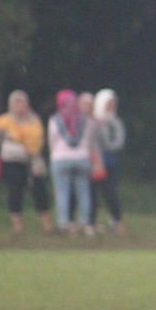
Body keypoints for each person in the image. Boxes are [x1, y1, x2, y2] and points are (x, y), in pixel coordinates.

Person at [0, 90, 53, 235]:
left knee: (40, 191)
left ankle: (47, 225)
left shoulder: (34, 119)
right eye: (17, 103)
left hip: (33, 160)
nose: (20, 106)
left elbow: (40, 139)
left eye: (22, 103)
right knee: (15, 192)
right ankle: (17, 226)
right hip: (12, 161)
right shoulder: (4, 121)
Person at [48, 89, 98, 235]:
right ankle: (85, 223)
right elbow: (89, 140)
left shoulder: (55, 119)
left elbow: (52, 140)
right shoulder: (83, 119)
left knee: (63, 192)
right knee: (83, 192)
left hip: (60, 159)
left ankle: (64, 223)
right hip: (82, 158)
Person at [91, 89, 127, 235]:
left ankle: (118, 224)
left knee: (111, 194)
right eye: (109, 103)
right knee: (91, 196)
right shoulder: (92, 120)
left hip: (108, 163)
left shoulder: (115, 121)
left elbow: (116, 143)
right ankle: (90, 225)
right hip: (92, 164)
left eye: (113, 103)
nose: (111, 106)